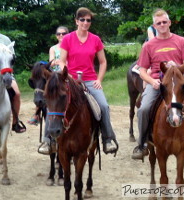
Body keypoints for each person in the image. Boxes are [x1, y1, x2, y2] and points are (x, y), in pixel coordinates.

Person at [131, 8, 184, 162]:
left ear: (170, 23)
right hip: (158, 82)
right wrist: (152, 82)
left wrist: (177, 66)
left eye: (165, 22)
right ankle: (142, 143)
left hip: (179, 82)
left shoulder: (181, 41)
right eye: (159, 23)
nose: (162, 25)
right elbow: (143, 71)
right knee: (143, 109)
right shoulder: (148, 46)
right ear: (154, 26)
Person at [58, 7, 117, 154]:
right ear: (76, 21)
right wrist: (68, 76)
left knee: (103, 106)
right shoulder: (67, 39)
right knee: (55, 104)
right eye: (82, 20)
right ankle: (49, 140)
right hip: (71, 80)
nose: (85, 22)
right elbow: (61, 61)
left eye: (88, 20)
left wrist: (99, 79)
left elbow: (103, 62)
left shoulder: (95, 39)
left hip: (90, 80)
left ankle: (108, 138)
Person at [28, 26, 69, 126]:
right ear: (56, 36)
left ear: (68, 35)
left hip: (67, 72)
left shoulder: (70, 46)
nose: (61, 35)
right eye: (59, 34)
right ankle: (37, 113)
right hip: (54, 73)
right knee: (42, 87)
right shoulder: (53, 48)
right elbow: (51, 62)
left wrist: (62, 63)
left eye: (63, 34)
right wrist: (57, 62)